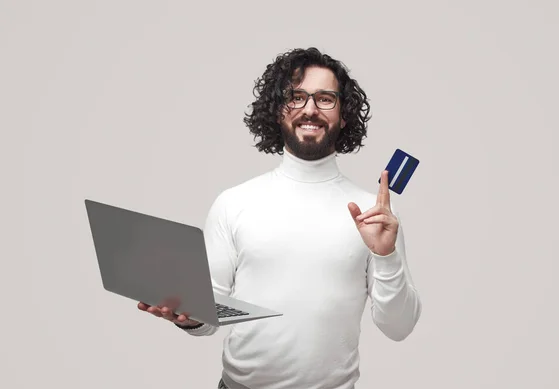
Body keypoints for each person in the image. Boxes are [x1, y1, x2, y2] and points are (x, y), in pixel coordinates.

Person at [138, 47, 422, 389]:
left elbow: (399, 327)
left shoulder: (373, 216)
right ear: (277, 112)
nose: (310, 109)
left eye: (325, 98)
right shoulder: (234, 203)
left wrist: (386, 255)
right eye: (296, 97)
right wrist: (184, 316)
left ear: (344, 115)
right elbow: (209, 317)